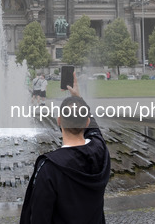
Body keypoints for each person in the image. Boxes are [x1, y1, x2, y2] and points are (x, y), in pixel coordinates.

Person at [20, 73, 111, 223]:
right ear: (87, 121)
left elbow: (38, 217)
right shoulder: (100, 151)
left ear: (59, 121)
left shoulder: (49, 168)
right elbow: (94, 130)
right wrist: (78, 97)